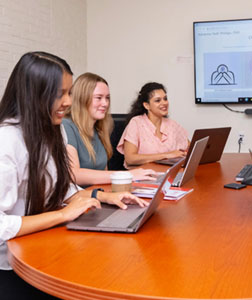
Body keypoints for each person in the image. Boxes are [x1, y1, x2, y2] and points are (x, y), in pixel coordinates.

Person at [0, 52, 149, 299]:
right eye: (60, 94)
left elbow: (62, 186)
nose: (69, 102)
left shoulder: (52, 130)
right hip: (12, 266)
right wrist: (61, 214)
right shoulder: (7, 142)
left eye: (69, 92)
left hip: (43, 247)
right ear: (34, 95)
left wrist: (104, 197)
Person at [62, 72, 155, 186]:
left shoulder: (99, 129)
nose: (105, 103)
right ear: (82, 99)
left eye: (107, 98)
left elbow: (103, 174)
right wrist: (127, 175)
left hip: (98, 195)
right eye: (99, 98)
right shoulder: (66, 126)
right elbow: (74, 174)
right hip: (78, 200)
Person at [117, 82, 189, 166]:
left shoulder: (172, 124)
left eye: (165, 99)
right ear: (147, 105)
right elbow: (130, 158)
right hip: (142, 174)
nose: (164, 103)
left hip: (168, 173)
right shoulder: (136, 123)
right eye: (158, 100)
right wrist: (166, 155)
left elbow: (190, 148)